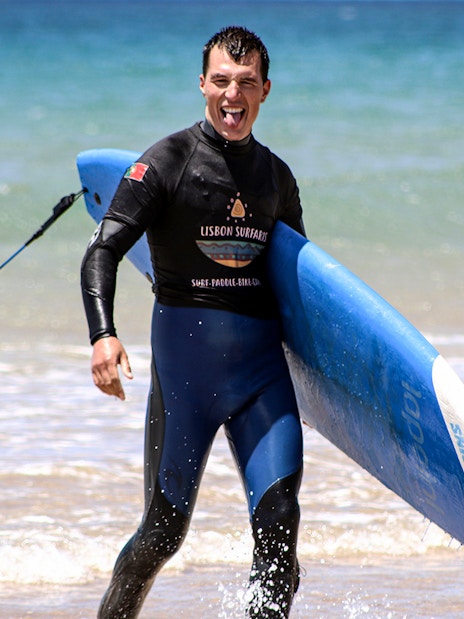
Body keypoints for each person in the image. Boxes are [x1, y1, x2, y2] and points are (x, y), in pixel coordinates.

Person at [81, 25, 305, 619]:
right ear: (203, 84)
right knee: (162, 534)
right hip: (188, 380)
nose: (234, 95)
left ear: (265, 91)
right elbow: (102, 251)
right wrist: (103, 334)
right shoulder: (166, 162)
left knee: (281, 531)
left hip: (262, 379)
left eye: (247, 83)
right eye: (223, 81)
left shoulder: (277, 179)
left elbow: (299, 289)